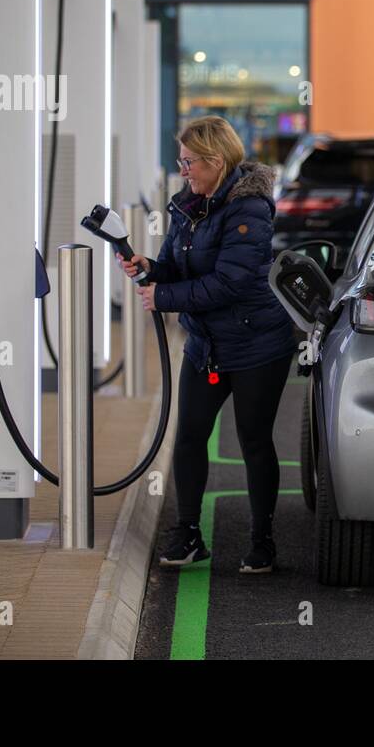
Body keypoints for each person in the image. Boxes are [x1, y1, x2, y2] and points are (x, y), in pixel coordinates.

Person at [120, 115, 298, 574]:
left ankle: (263, 541)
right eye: (181, 162)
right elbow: (181, 266)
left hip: (257, 342)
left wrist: (165, 297)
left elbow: (230, 282)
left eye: (189, 163)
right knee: (189, 435)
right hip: (207, 345)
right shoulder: (189, 204)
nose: (183, 171)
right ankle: (189, 533)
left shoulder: (250, 209)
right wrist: (153, 269)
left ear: (216, 162)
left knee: (254, 441)